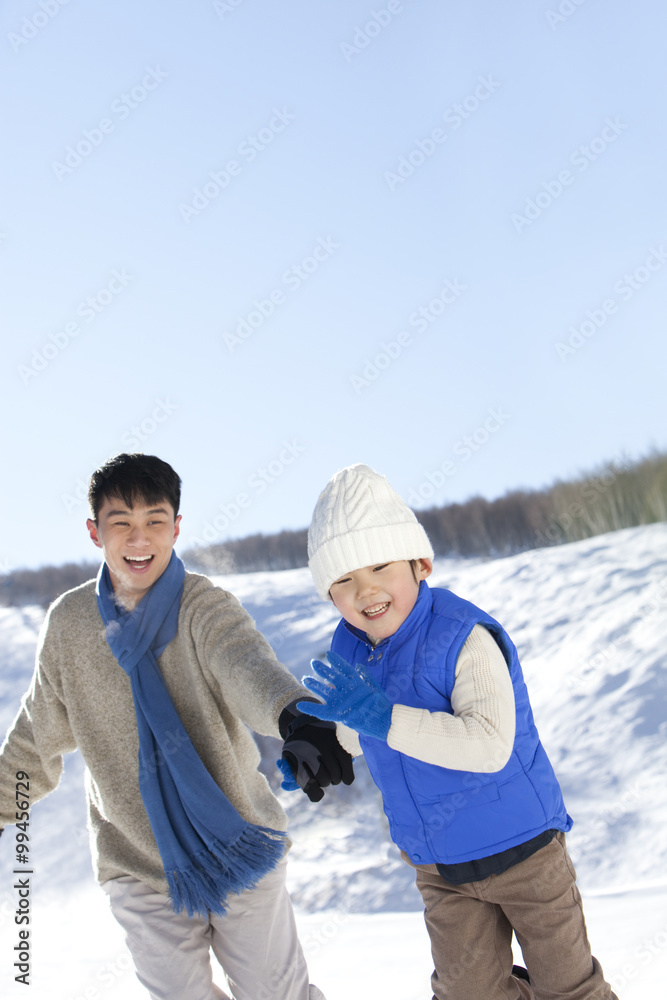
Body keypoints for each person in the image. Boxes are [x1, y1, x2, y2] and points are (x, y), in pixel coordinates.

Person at [0, 453, 353, 1000]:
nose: (139, 539)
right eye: (122, 523)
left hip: (238, 840)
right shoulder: (69, 626)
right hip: (139, 863)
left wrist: (294, 716)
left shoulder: (202, 606)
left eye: (155, 521)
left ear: (177, 527)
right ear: (95, 532)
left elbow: (247, 667)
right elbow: (34, 739)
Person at [288, 463, 618, 1000]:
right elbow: (358, 729)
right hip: (441, 867)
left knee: (569, 987)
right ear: (328, 594)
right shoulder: (349, 648)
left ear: (420, 564)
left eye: (378, 566)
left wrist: (379, 719)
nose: (365, 590)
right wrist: (322, 745)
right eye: (344, 579)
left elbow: (488, 745)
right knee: (467, 993)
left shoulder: (463, 637)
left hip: (526, 851)